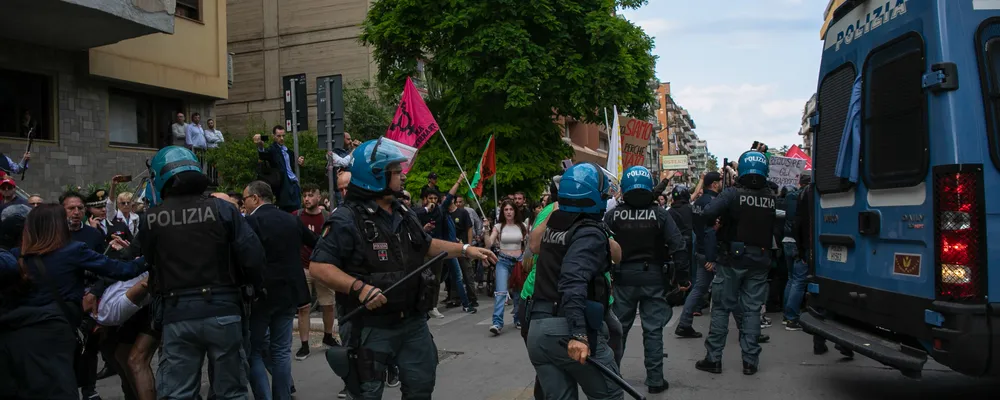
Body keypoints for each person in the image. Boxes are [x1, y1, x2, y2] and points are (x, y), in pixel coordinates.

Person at [310, 137, 497, 399]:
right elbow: (319, 267)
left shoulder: (402, 211)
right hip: (369, 326)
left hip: (412, 322)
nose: (402, 177)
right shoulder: (346, 218)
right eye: (396, 172)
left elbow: (426, 244)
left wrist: (466, 250)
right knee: (367, 392)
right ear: (376, 176)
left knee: (421, 386)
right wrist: (360, 289)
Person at [138, 146, 266, 399]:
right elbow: (253, 257)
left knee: (178, 393)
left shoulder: (150, 218)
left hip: (177, 314)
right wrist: (256, 289)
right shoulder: (224, 209)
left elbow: (147, 262)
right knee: (231, 392)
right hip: (225, 311)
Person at [0, 204, 147, 400]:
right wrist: (152, 257)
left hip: (16, 336)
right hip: (54, 331)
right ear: (57, 225)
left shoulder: (17, 256)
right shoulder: (72, 251)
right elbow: (123, 270)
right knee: (61, 390)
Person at [527, 162, 623, 399]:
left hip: (538, 330)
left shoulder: (555, 221)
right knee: (610, 394)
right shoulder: (588, 231)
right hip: (565, 328)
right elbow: (573, 280)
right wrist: (579, 334)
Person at [604, 166, 689, 394]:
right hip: (653, 278)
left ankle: (612, 378)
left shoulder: (613, 214)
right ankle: (655, 380)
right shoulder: (660, 213)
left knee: (618, 330)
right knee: (653, 331)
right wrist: (682, 278)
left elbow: (600, 245)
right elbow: (678, 246)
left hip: (623, 279)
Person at [695, 150, 776, 376]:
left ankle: (714, 359)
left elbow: (708, 212)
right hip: (760, 259)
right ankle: (750, 361)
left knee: (721, 308)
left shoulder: (731, 194)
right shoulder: (771, 196)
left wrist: (719, 223)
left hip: (732, 259)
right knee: (752, 311)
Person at [243, 180, 316, 400]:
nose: (244, 204)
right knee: (282, 351)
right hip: (288, 294)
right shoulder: (291, 219)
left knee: (254, 351)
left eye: (245, 199)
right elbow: (315, 242)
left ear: (255, 198)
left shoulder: (250, 222)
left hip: (260, 295)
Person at [254, 126, 305, 212]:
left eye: (283, 136)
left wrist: (300, 162)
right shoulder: (273, 150)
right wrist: (260, 146)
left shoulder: (289, 151)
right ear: (273, 136)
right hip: (283, 185)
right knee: (287, 209)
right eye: (278, 136)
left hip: (294, 184)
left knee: (297, 209)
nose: (281, 138)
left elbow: (294, 165)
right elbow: (264, 155)